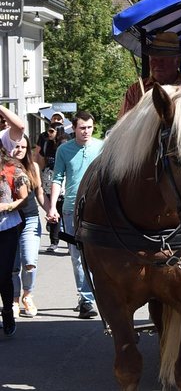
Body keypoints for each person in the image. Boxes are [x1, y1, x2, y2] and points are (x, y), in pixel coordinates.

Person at [47, 111, 104, 319]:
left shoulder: (102, 147)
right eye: (82, 128)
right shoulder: (64, 150)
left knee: (100, 254)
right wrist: (52, 207)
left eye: (89, 127)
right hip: (72, 209)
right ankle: (86, 300)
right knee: (78, 257)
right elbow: (57, 179)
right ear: (74, 128)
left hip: (99, 208)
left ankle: (103, 294)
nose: (86, 131)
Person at [118, 31, 181, 118]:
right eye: (153, 59)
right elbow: (123, 127)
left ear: (177, 61)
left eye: (162, 60)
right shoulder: (135, 91)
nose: (157, 64)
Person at [11, 135, 47, 318]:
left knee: (30, 262)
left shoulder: (32, 167)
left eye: (23, 147)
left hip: (31, 219)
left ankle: (28, 295)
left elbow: (39, 192)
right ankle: (14, 300)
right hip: (9, 221)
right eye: (16, 146)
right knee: (13, 266)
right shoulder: (4, 169)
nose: (19, 150)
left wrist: (50, 210)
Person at [0, 149, 29, 337]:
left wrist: (7, 206)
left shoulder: (13, 169)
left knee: (3, 275)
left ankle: (8, 311)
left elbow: (25, 200)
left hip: (6, 227)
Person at [35, 121, 69, 252]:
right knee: (52, 211)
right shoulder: (47, 144)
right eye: (48, 131)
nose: (48, 134)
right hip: (48, 179)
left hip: (62, 181)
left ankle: (69, 242)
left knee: (64, 212)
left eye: (51, 131)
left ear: (58, 131)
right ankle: (53, 242)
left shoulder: (64, 145)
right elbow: (42, 160)